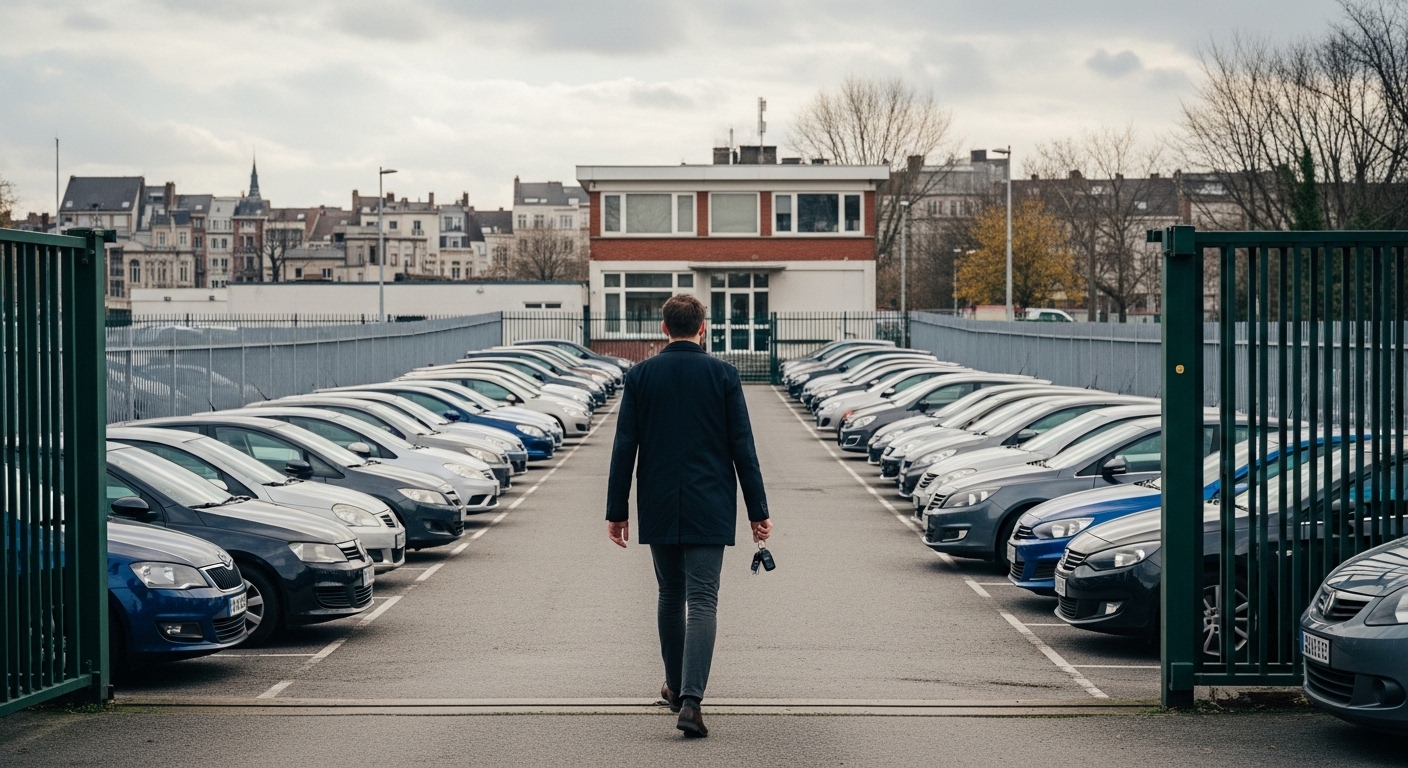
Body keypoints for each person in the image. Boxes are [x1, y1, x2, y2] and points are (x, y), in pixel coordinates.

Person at [606, 293, 771, 739]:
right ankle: (692, 702)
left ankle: (676, 689)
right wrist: (758, 511)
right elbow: (743, 447)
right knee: (702, 599)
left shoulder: (641, 375)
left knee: (669, 592)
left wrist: (616, 511)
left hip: (658, 502)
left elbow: (625, 447)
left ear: (663, 328)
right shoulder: (723, 375)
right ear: (703, 328)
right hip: (709, 502)